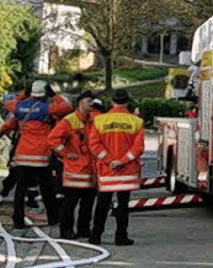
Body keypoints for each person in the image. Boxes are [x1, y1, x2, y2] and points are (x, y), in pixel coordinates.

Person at [0, 80, 72, 229]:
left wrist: (23, 94)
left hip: (23, 154)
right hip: (41, 156)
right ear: (45, 94)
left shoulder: (19, 107)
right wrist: (55, 95)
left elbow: (8, 103)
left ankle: (18, 221)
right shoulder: (48, 109)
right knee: (48, 189)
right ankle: (53, 218)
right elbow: (67, 106)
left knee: (20, 189)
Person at [89, 89, 144, 246]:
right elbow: (138, 147)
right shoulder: (136, 121)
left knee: (102, 204)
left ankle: (96, 236)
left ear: (112, 102)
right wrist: (122, 161)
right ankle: (121, 236)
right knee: (123, 205)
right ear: (127, 102)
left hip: (107, 170)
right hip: (126, 172)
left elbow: (94, 145)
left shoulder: (100, 121)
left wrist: (109, 160)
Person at [48, 91, 97, 240]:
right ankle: (66, 230)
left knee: (87, 205)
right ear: (81, 102)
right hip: (74, 171)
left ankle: (83, 229)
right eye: (90, 101)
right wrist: (66, 154)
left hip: (90, 171)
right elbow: (52, 139)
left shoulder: (94, 120)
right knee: (69, 205)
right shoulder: (69, 121)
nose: (92, 104)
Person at [0, 86, 40, 209]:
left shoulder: (21, 112)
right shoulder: (42, 112)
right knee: (24, 173)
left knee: (20, 173)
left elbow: (7, 127)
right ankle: (29, 198)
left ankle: (25, 197)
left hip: (24, 148)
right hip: (32, 149)